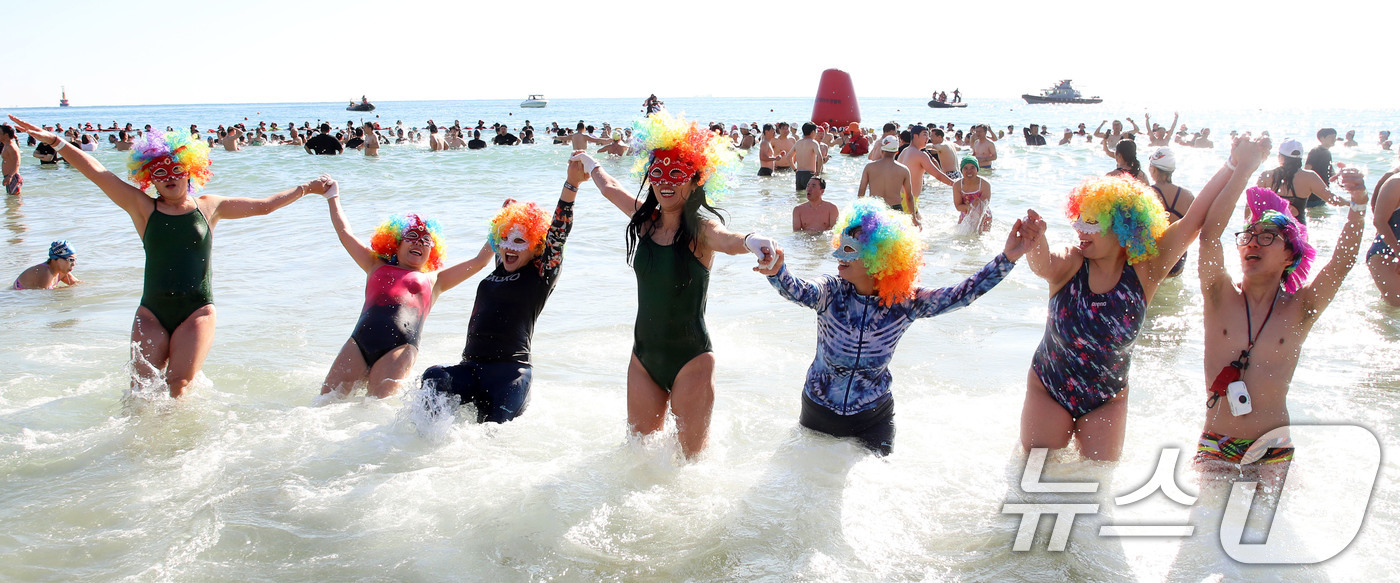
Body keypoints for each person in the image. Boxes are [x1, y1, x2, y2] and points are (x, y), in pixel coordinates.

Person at [8, 115, 327, 398]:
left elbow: (265, 205)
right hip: (151, 313)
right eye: (159, 172)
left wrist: (305, 188)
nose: (169, 176)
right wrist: (55, 141)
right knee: (141, 389)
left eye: (176, 169)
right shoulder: (143, 208)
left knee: (178, 386)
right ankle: (134, 452)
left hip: (197, 311)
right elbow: (98, 173)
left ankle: (178, 453)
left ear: (190, 170)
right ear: (150, 177)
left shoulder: (209, 206)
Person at [1018, 138, 1267, 461]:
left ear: (1123, 228)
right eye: (1079, 219)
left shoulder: (1145, 272)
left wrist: (1234, 165)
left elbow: (1194, 220)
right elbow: (1043, 265)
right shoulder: (1072, 262)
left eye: (1092, 223)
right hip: (1049, 388)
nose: (1080, 230)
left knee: (1097, 484)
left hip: (1107, 398)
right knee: (1034, 473)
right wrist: (1035, 241)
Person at [755, 199, 1038, 454]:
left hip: (873, 417)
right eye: (839, 245)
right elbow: (797, 290)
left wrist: (1008, 258)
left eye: (849, 249)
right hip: (818, 412)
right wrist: (776, 271)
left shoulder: (904, 303)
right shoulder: (830, 292)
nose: (838, 255)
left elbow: (963, 294)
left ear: (880, 258)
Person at [575, 112, 777, 459]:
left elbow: (727, 240)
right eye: (658, 172)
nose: (665, 181)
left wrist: (753, 240)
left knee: (690, 466)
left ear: (695, 180)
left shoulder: (701, 229)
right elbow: (611, 189)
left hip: (691, 360)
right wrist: (590, 163)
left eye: (676, 173)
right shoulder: (644, 223)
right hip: (643, 359)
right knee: (637, 457)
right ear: (649, 175)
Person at [1194, 168, 1370, 478]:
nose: (1253, 243)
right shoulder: (1219, 297)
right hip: (1217, 444)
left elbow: (1341, 264)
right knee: (1206, 523)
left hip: (1272, 448)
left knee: (1269, 526)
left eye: (1266, 237)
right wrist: (1239, 169)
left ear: (1289, 255)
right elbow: (1209, 237)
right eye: (1247, 237)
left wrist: (1357, 206)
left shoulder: (1300, 308)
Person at [418, 161, 585, 421]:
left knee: (491, 434)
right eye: (504, 239)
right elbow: (503, 246)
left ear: (536, 246)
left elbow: (559, 233)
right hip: (471, 368)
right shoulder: (500, 266)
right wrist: (505, 215)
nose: (510, 247)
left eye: (519, 241)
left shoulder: (542, 273)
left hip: (510, 374)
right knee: (433, 378)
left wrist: (571, 185)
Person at [318, 185, 496, 399]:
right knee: (324, 401)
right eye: (412, 236)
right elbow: (345, 233)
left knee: (374, 409)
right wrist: (332, 197)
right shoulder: (374, 264)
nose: (419, 241)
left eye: (426, 240)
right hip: (358, 342)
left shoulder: (435, 280)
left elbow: (479, 262)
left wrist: (499, 227)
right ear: (396, 243)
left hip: (399, 349)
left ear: (432, 250)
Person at [1257, 139, 1347, 221]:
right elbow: (1333, 200)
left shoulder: (1266, 175)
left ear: (1280, 156)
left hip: (1271, 232)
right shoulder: (1310, 176)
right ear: (1300, 158)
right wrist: (1353, 203)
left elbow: (1253, 204)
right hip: (1298, 231)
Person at [1146, 148, 1196, 277]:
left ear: (1153, 169)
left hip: (1155, 258)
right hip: (1178, 259)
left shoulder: (1147, 194)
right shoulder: (1188, 196)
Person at [858, 136, 918, 224]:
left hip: (875, 210)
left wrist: (859, 214)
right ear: (897, 152)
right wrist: (914, 219)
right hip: (895, 210)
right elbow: (909, 197)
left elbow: (861, 192)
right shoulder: (903, 170)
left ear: (882, 151)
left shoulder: (869, 167)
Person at [1368, 171, 1400, 306]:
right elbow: (1379, 221)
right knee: (1396, 310)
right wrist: (1398, 252)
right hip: (1387, 253)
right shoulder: (1395, 183)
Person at [13, 241, 81, 289]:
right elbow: (45, 297)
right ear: (56, 259)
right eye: (70, 260)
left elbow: (77, 284)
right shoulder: (45, 273)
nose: (73, 264)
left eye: (75, 260)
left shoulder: (62, 271)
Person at [953, 157, 992, 235]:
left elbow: (983, 206)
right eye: (965, 168)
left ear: (977, 169)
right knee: (961, 240)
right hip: (965, 214)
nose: (969, 171)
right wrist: (970, 206)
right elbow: (958, 206)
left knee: (980, 239)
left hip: (983, 216)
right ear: (961, 170)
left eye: (972, 168)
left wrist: (976, 205)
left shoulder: (985, 184)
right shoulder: (957, 185)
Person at [793, 123, 824, 192]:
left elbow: (788, 157)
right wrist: (818, 172)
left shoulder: (798, 142)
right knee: (811, 196)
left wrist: (795, 169)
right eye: (816, 132)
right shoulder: (814, 143)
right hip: (809, 174)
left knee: (799, 196)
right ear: (812, 132)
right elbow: (820, 157)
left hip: (799, 174)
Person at [1, 124, 20, 195]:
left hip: (13, 177)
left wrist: (10, 176)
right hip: (9, 176)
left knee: (15, 201)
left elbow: (17, 162)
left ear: (5, 135)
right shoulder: (6, 144)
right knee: (11, 202)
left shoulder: (11, 147)